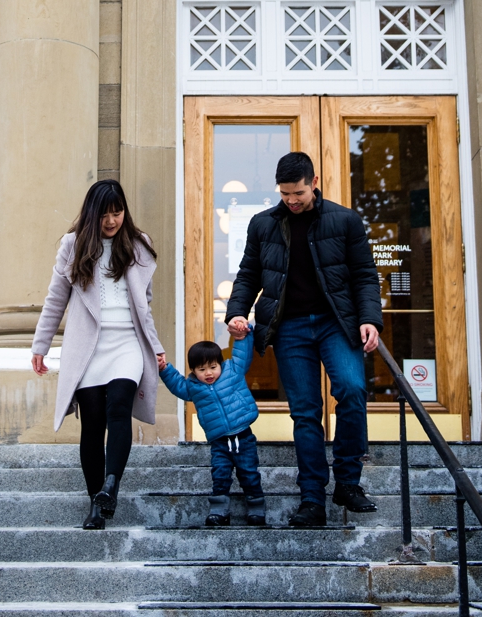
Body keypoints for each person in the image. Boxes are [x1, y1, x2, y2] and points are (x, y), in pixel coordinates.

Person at [226, 150, 384, 528]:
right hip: (290, 328)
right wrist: (236, 311)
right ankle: (312, 497)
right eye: (285, 194)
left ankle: (347, 481)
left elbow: (364, 275)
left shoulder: (345, 221)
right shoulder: (262, 224)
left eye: (298, 193)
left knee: (351, 388)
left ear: (314, 183)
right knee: (306, 413)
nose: (292, 201)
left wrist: (369, 320)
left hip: (335, 324)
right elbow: (249, 274)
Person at [31, 179, 167, 532]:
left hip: (127, 344)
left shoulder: (139, 245)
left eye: (117, 212)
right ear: (93, 213)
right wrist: (40, 345)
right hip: (87, 346)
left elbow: (144, 306)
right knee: (92, 425)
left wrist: (155, 347)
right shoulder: (73, 246)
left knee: (119, 406)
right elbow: (55, 300)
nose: (112, 220)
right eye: (105, 214)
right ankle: (96, 503)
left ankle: (111, 484)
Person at [160, 338, 266, 527]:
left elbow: (242, 355)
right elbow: (177, 385)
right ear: (193, 371)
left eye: (213, 367)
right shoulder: (193, 387)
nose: (208, 373)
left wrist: (242, 337)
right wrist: (164, 369)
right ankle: (219, 511)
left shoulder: (232, 371)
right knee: (220, 474)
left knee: (249, 473)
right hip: (219, 441)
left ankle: (256, 508)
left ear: (220, 364)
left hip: (243, 436)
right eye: (201, 370)